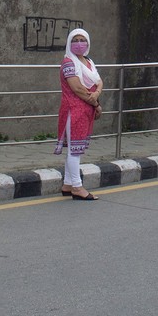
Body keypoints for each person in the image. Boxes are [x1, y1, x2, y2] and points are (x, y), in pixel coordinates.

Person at [55, 28, 103, 199]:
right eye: (75, 40)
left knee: (75, 148)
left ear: (88, 43)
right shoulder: (69, 62)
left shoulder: (88, 61)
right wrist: (96, 103)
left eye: (83, 39)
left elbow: (99, 81)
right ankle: (77, 186)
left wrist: (96, 96)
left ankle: (68, 184)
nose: (79, 43)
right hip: (73, 110)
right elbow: (77, 89)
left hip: (85, 110)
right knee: (75, 150)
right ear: (69, 42)